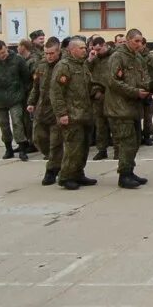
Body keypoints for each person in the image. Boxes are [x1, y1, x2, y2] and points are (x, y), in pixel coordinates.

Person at [48, 37, 99, 191]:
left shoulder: (82, 65)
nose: (86, 50)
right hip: (72, 115)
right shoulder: (64, 66)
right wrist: (62, 114)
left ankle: (78, 173)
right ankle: (66, 176)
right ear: (72, 50)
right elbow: (56, 92)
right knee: (73, 148)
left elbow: (88, 86)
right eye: (82, 48)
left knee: (83, 147)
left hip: (84, 114)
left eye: (85, 48)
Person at [104, 28, 152, 189]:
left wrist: (147, 88)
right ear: (128, 40)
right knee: (127, 141)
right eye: (136, 41)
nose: (139, 44)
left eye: (141, 41)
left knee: (136, 141)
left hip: (134, 107)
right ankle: (124, 175)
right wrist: (135, 92)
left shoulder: (138, 58)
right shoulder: (118, 57)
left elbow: (144, 77)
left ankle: (130, 171)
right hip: (120, 108)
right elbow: (112, 81)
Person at [0, 40, 31, 161]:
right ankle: (8, 148)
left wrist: (19, 89)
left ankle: (22, 148)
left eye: (3, 52)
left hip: (15, 97)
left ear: (7, 49)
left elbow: (25, 76)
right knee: (3, 125)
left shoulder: (18, 60)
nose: (1, 55)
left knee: (17, 122)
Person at [27, 38, 63, 185]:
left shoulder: (63, 66)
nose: (49, 56)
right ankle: (57, 162)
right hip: (42, 109)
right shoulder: (41, 65)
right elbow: (36, 87)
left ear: (58, 51)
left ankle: (51, 171)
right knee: (38, 139)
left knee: (55, 143)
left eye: (52, 53)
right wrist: (31, 102)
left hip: (57, 110)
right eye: (47, 53)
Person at [87, 36, 112, 160]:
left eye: (100, 48)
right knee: (100, 124)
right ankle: (102, 149)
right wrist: (90, 59)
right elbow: (86, 73)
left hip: (112, 95)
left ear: (105, 45)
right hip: (98, 95)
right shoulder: (94, 59)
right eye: (95, 49)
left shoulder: (113, 57)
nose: (98, 51)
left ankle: (118, 149)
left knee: (114, 123)